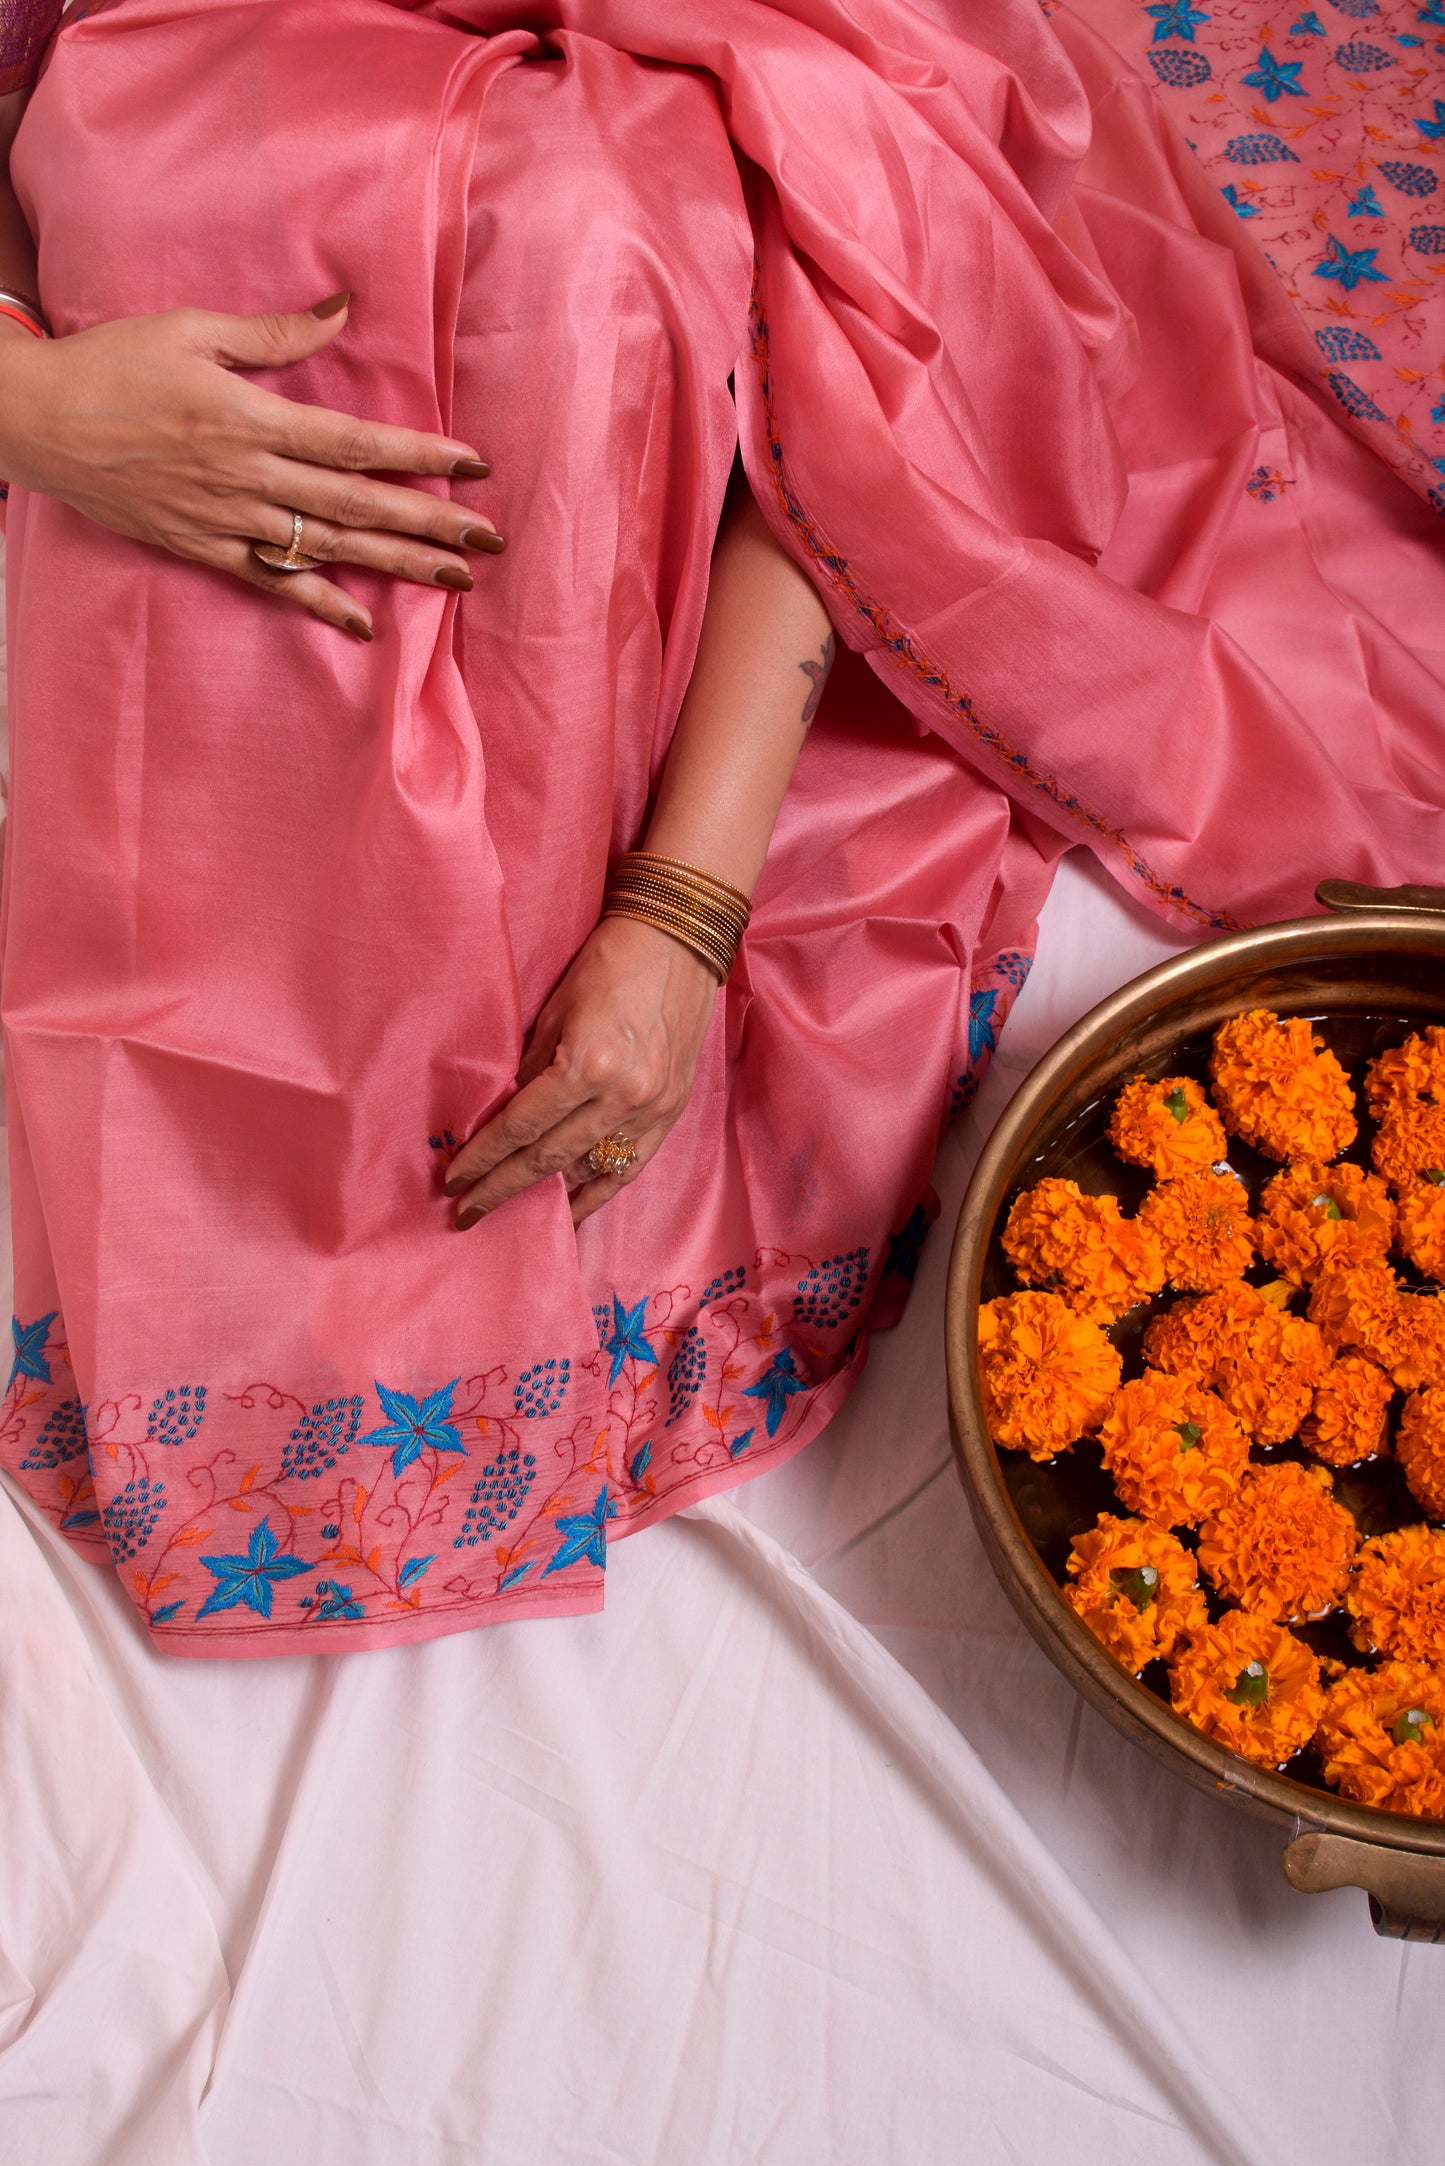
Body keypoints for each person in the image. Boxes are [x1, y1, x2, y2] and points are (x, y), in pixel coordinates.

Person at [0, 0, 1441, 1656]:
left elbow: (866, 393)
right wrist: (30, 404)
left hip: (649, 727)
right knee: (207, 177)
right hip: (177, 737)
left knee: (571, 215)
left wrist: (681, 912)